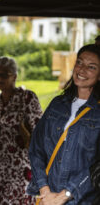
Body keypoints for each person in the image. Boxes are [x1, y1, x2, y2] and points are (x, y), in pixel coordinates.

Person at [27, 44, 100, 204]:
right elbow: (36, 148)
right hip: (47, 197)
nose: (81, 70)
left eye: (91, 67)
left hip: (82, 201)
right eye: (79, 63)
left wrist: (64, 196)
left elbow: (97, 167)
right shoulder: (57, 104)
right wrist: (44, 190)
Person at [0, 56, 42, 205]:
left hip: (19, 165)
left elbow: (39, 134)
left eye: (4, 75)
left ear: (14, 76)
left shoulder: (27, 98)